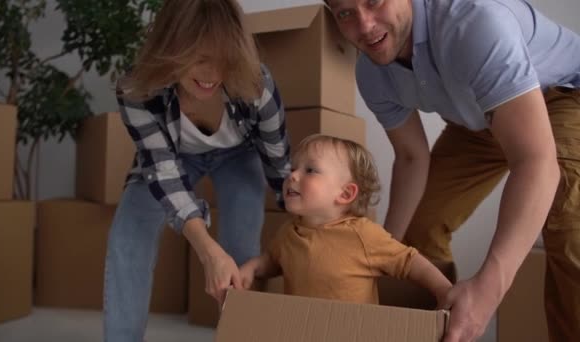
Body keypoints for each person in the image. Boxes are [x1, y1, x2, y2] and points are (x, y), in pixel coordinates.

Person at [323, 0, 580, 341]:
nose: (366, 25)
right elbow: (412, 157)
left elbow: (535, 161)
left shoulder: (475, 22)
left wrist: (487, 290)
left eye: (374, 1)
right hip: (477, 120)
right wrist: (383, 250)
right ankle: (437, 330)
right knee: (419, 228)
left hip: (562, 97)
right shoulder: (371, 73)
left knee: (568, 229)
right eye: (345, 14)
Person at [102, 1, 290, 341]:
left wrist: (309, 217)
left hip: (239, 156)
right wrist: (207, 250)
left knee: (241, 244)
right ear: (170, 47)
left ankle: (239, 334)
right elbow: (162, 171)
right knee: (128, 237)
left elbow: (278, 164)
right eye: (199, 57)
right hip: (169, 160)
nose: (211, 74)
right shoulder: (135, 90)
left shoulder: (258, 85)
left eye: (223, 58)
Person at [239, 134, 452, 307]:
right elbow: (273, 261)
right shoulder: (288, 232)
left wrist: (443, 290)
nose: (292, 176)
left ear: (345, 194)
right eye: (293, 168)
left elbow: (409, 261)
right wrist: (252, 267)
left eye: (310, 170)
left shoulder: (363, 235)